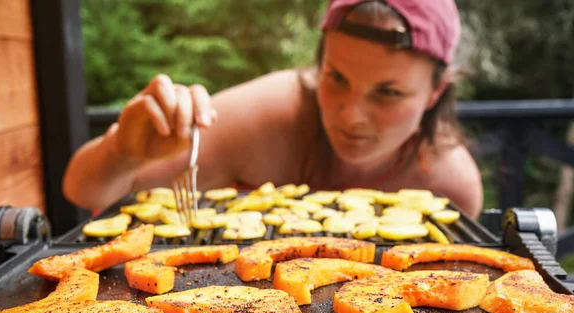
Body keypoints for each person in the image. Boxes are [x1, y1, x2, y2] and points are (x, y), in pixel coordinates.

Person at [63, 0, 483, 218]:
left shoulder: (452, 186)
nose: (350, 114)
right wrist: (122, 151)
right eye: (335, 78)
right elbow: (85, 191)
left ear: (433, 94)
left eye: (388, 93)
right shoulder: (264, 117)